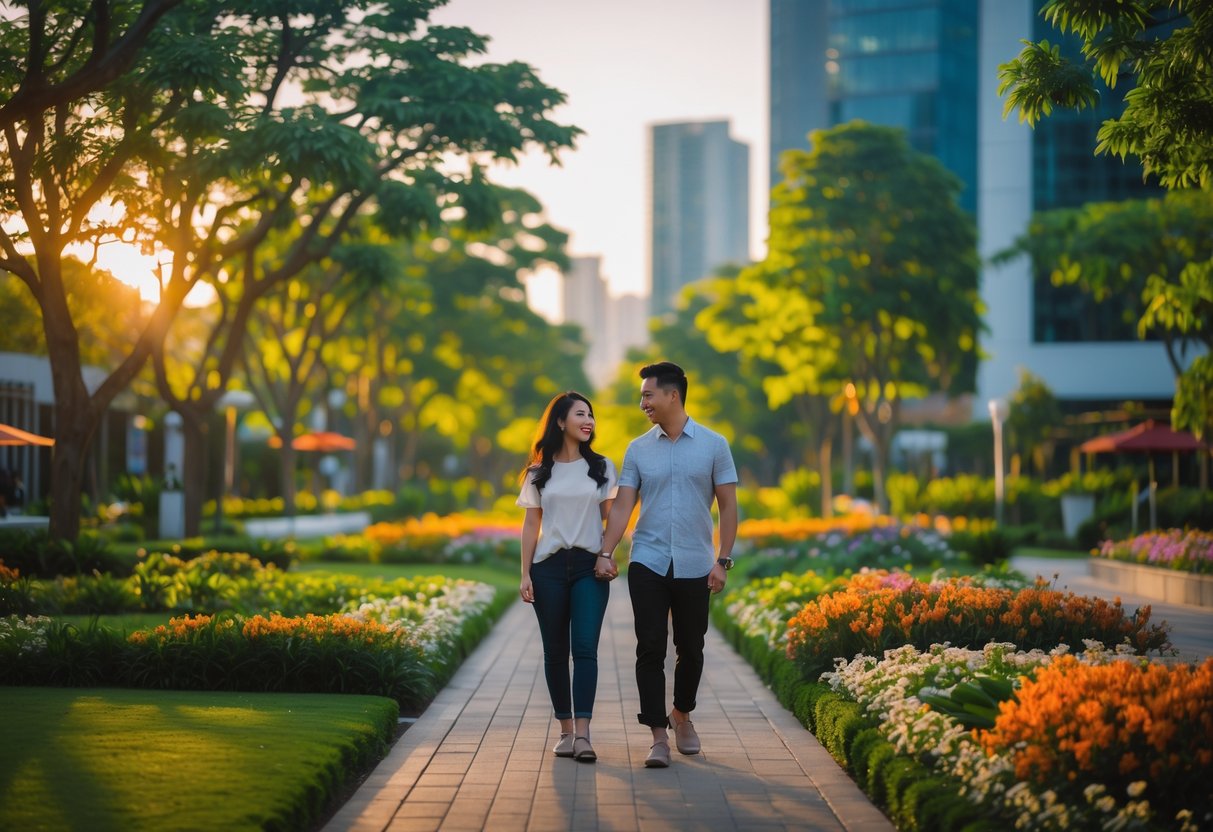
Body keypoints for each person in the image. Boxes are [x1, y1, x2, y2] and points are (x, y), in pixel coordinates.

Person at [596, 361, 738, 769]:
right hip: (649, 561)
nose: (642, 402)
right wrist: (606, 551)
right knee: (650, 647)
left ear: (672, 395)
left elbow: (728, 506)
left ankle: (682, 714)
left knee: (691, 648)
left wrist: (722, 560)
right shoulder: (638, 449)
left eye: (648, 395)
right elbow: (624, 505)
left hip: (696, 562)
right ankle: (658, 734)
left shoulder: (714, 445)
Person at [517, 391, 618, 763]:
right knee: (555, 653)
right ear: (560, 422)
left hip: (590, 568)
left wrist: (608, 553)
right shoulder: (537, 473)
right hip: (549, 570)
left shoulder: (603, 467)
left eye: (591, 414)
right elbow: (531, 525)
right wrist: (525, 573)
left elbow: (613, 518)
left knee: (585, 649)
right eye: (580, 414)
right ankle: (564, 731)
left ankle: (584, 735)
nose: (589, 420)